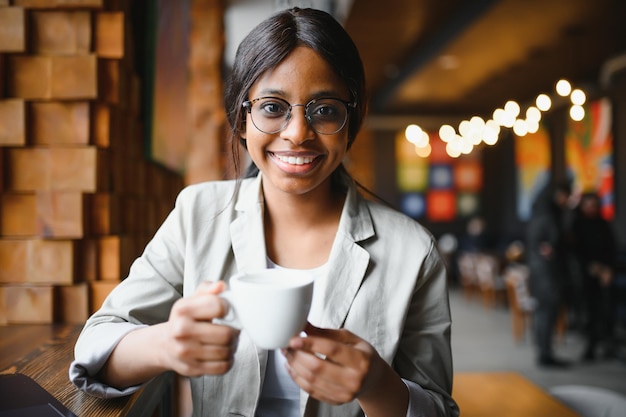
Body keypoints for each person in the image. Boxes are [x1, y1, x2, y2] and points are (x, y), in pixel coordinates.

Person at [69, 7, 459, 417]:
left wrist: (379, 386)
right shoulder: (197, 214)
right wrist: (165, 344)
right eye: (273, 107)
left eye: (325, 109)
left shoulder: (413, 251)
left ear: (352, 120)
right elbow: (97, 343)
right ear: (241, 119)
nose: (297, 133)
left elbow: (439, 409)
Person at [526, 180, 572, 368]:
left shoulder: (541, 213)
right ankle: (545, 354)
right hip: (546, 273)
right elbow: (546, 245)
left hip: (542, 271)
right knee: (546, 312)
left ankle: (545, 352)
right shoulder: (547, 216)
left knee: (543, 312)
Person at [571, 192, 618, 361]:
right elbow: (576, 251)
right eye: (588, 204)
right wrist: (593, 267)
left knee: (607, 310)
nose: (591, 208)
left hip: (605, 273)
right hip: (586, 275)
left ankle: (609, 345)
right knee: (590, 312)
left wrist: (608, 270)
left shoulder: (603, 224)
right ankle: (591, 346)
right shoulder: (578, 224)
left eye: (594, 205)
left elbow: (612, 248)